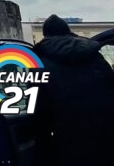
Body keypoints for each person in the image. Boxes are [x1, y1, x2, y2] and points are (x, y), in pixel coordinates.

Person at [31, 14, 114, 165]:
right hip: (106, 137)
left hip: (69, 142)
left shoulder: (39, 65)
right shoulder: (95, 57)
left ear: (45, 35)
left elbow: (38, 113)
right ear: (68, 31)